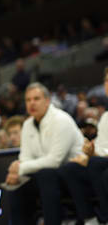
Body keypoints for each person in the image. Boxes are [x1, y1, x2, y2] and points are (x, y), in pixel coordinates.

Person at [4, 82, 84, 225]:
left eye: (36, 99)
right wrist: (17, 173)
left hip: (75, 174)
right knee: (16, 185)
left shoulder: (61, 120)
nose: (32, 103)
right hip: (47, 176)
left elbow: (55, 161)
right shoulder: (28, 125)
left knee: (46, 175)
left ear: (47, 101)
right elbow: (25, 157)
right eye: (28, 100)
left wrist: (21, 168)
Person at [57, 67, 108, 224]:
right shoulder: (106, 116)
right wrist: (89, 153)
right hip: (102, 162)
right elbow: (101, 147)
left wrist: (96, 156)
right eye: (106, 80)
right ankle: (90, 219)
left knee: (95, 165)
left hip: (102, 163)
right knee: (71, 168)